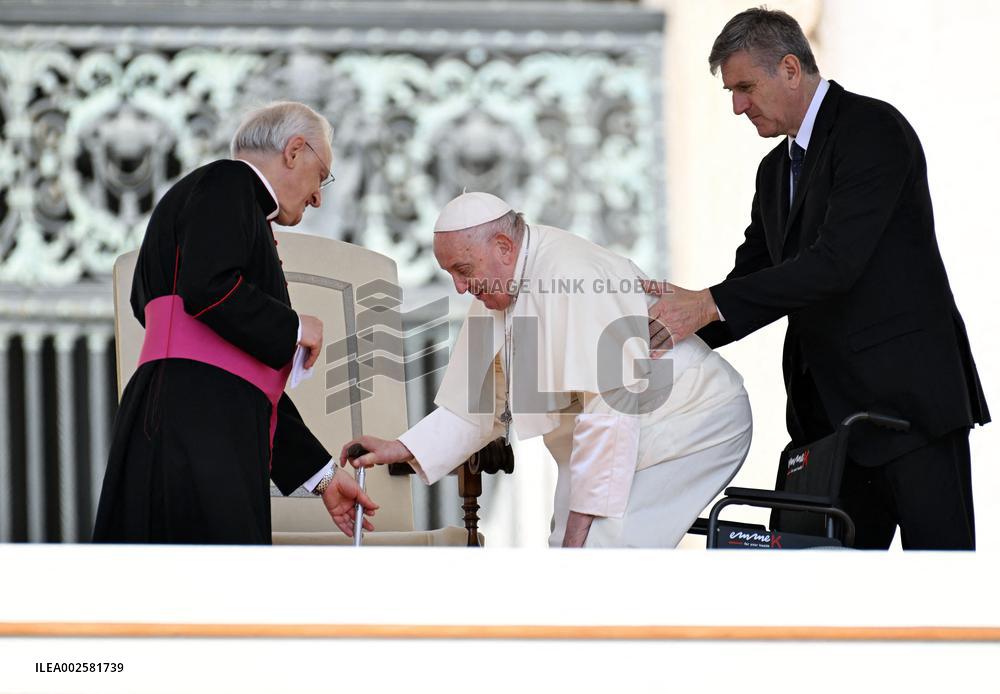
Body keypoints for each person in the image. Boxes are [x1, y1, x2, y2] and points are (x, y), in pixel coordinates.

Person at [646, 8, 989, 549]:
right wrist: (664, 331)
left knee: (941, 590)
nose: (737, 106)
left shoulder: (872, 129)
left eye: (744, 87)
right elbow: (752, 282)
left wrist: (707, 303)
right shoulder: (772, 170)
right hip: (827, 428)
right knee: (820, 603)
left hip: (909, 412)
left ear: (789, 67)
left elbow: (836, 264)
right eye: (730, 92)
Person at [340, 192, 752, 548]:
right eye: (450, 275)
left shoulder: (573, 274)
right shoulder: (499, 288)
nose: (459, 289)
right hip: (607, 440)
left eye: (463, 271)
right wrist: (404, 447)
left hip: (689, 423)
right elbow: (479, 405)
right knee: (574, 558)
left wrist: (579, 532)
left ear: (503, 246)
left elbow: (613, 410)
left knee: (604, 560)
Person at [94, 101, 377, 543]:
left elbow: (245, 374)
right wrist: (296, 328)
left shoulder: (221, 199)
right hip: (198, 427)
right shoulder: (228, 181)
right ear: (294, 151)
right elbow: (208, 287)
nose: (319, 196)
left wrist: (323, 478)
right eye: (321, 176)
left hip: (193, 415)